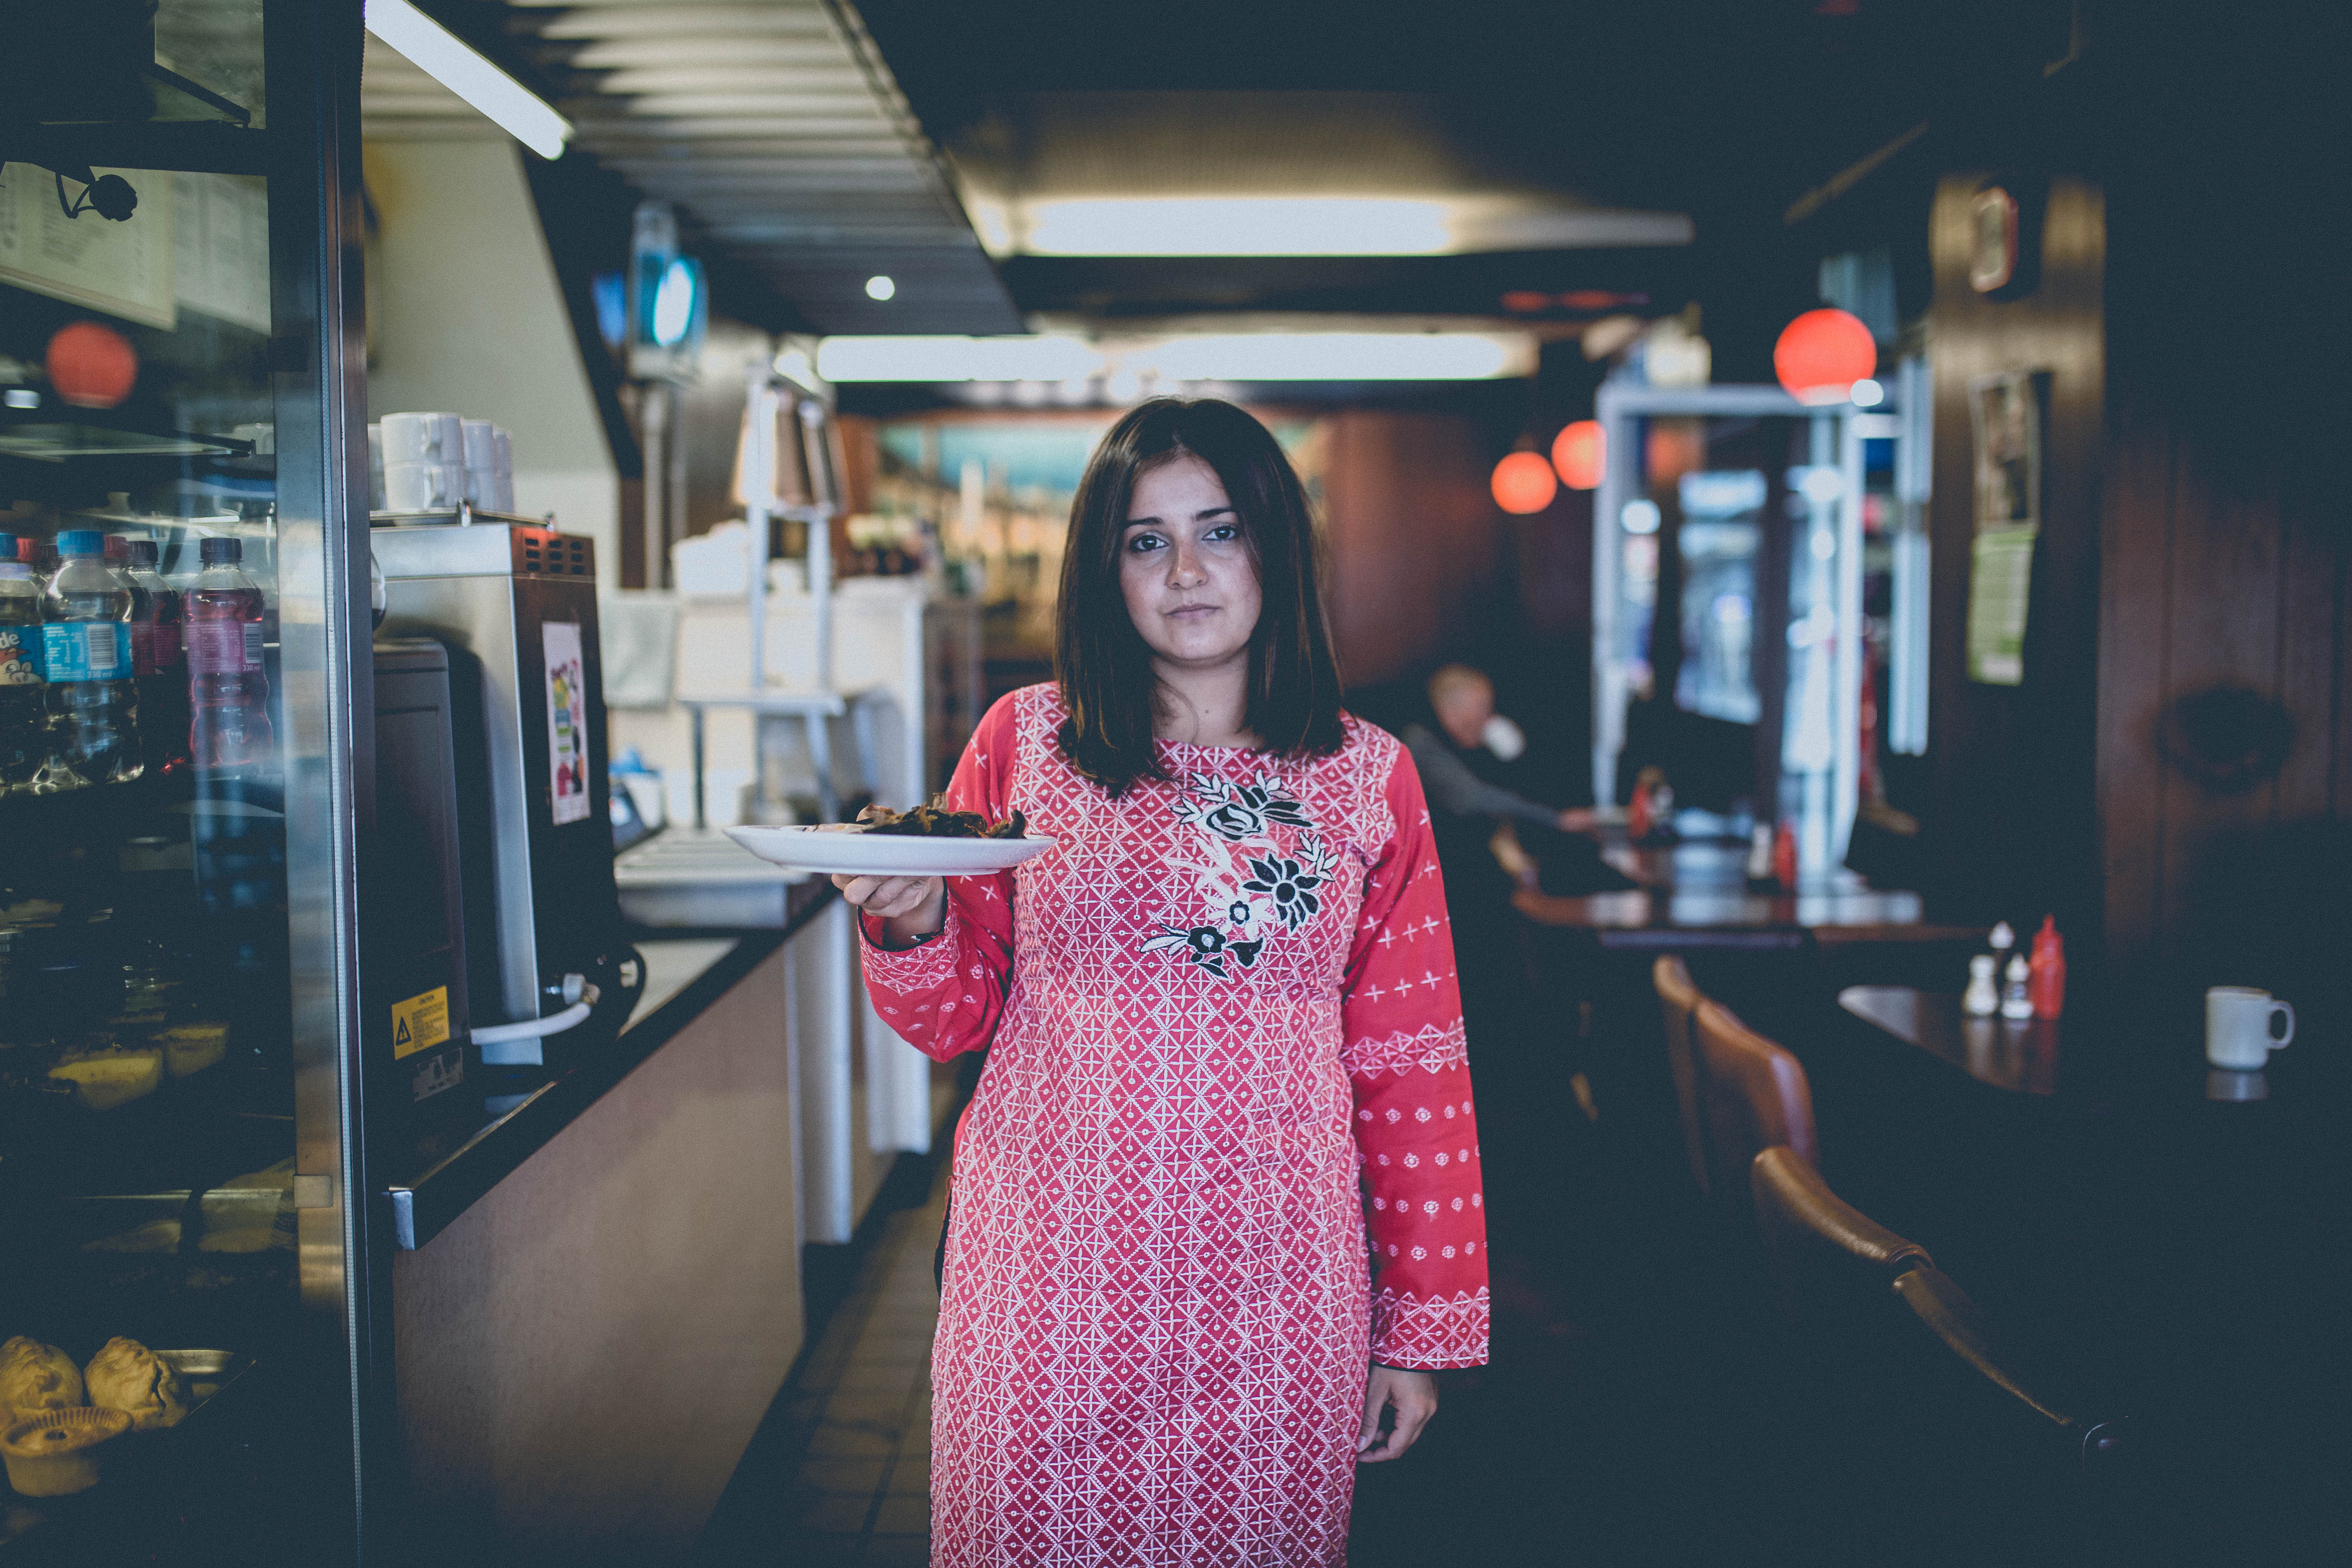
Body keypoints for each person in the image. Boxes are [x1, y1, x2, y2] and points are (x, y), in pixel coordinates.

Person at [836, 399, 1490, 1567]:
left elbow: (1412, 1066)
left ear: (1274, 550)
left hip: (1278, 1296)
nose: (1185, 570)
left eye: (1220, 530)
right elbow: (951, 1020)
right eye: (1145, 540)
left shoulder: (1367, 777)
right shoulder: (1023, 743)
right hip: (1047, 1286)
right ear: (1106, 568)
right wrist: (913, 920)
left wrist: (1419, 1327)